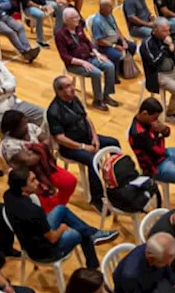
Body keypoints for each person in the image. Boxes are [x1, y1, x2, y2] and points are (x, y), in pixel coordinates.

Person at [2, 166, 117, 271]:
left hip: (29, 239)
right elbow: (52, 238)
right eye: (32, 180)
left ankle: (94, 234)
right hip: (45, 252)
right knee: (80, 233)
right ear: (23, 187)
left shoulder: (8, 195)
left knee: (61, 209)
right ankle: (93, 268)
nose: (37, 182)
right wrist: (62, 228)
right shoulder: (34, 211)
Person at [47, 74, 121, 209]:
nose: (73, 88)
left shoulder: (75, 99)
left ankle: (117, 179)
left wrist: (95, 137)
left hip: (86, 137)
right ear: (59, 91)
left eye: (71, 85)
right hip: (70, 147)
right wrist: (83, 147)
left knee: (114, 143)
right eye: (68, 86)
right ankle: (96, 198)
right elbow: (60, 138)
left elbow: (86, 117)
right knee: (93, 160)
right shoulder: (54, 111)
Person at [0, 109, 77, 211]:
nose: (26, 126)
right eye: (22, 125)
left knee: (70, 181)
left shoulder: (30, 127)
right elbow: (31, 161)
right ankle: (52, 213)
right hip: (29, 176)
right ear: (13, 130)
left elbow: (47, 141)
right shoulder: (9, 144)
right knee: (47, 201)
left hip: (45, 167)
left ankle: (59, 207)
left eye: (25, 122)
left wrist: (37, 149)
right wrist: (42, 148)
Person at [56, 7, 120, 112]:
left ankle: (106, 95)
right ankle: (97, 100)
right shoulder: (60, 35)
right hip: (75, 64)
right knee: (96, 73)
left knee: (110, 66)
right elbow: (64, 56)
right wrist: (82, 62)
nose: (77, 19)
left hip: (88, 57)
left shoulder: (78, 27)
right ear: (66, 20)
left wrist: (97, 54)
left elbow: (88, 42)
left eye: (77, 16)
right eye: (74, 18)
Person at [128, 98, 175, 190]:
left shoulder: (147, 120)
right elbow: (159, 151)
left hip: (163, 156)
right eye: (154, 118)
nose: (156, 121)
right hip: (155, 168)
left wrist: (163, 129)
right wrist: (161, 135)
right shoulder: (138, 133)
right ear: (144, 113)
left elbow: (167, 133)